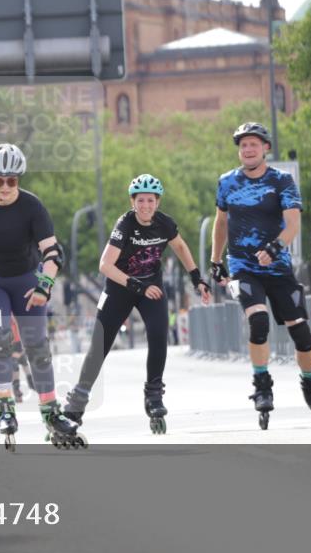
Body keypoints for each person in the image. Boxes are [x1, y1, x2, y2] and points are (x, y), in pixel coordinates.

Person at [210, 122, 311, 429]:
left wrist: (275, 247)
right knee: (258, 321)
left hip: (278, 267)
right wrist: (215, 260)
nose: (248, 150)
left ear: (265, 148)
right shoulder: (227, 182)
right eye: (243, 145)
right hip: (243, 267)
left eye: (254, 145)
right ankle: (261, 386)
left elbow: (293, 224)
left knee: (301, 331)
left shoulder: (282, 181)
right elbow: (221, 223)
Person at [0, 142, 83, 449]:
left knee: (37, 345)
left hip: (25, 279)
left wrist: (44, 286)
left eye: (12, 181)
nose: (5, 187)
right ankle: (5, 407)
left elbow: (52, 252)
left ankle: (50, 411)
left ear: (18, 181)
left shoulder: (33, 207)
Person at [63, 174, 212, 434]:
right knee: (100, 345)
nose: (145, 206)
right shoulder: (125, 224)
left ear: (157, 202)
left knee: (158, 335)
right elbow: (105, 265)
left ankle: (154, 395)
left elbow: (180, 247)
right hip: (121, 288)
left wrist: (197, 277)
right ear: (133, 202)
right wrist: (137, 285)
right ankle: (77, 404)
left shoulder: (164, 223)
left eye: (150, 201)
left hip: (151, 288)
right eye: (140, 200)